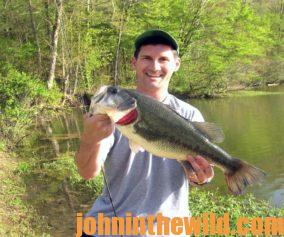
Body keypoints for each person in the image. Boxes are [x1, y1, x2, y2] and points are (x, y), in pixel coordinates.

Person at [75, 29, 214, 237]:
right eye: (147, 58)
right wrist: (88, 139)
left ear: (176, 64)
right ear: (134, 63)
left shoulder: (190, 114)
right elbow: (87, 173)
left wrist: (201, 177)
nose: (155, 66)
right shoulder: (113, 109)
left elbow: (197, 173)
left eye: (163, 59)